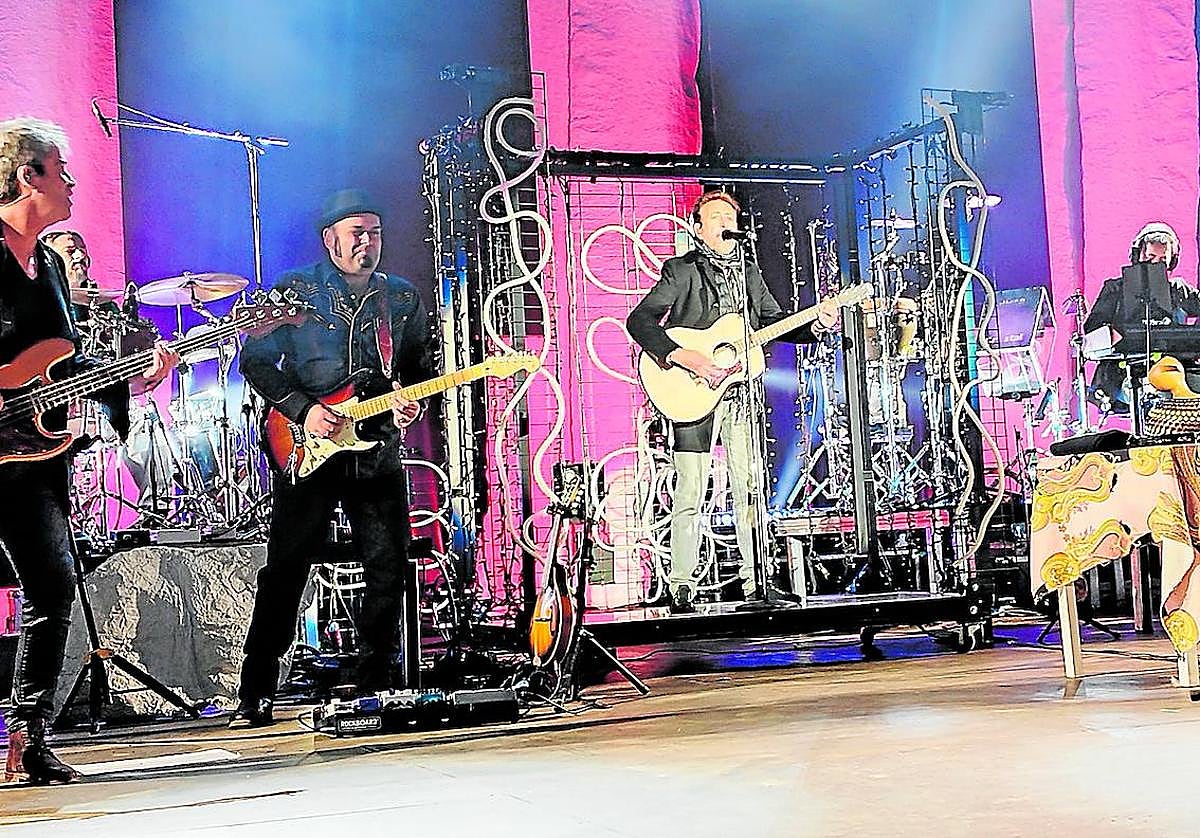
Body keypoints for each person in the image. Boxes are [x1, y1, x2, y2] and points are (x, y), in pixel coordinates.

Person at [0, 118, 175, 783]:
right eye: (62, 169)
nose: (72, 181)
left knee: (50, 584)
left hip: (34, 458)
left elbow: (64, 366)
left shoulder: (46, 263)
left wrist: (131, 373)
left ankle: (27, 741)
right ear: (28, 177)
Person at [231, 189, 435, 727]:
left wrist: (413, 401)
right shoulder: (295, 291)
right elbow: (254, 360)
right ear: (331, 241)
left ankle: (375, 687)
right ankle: (256, 689)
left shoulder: (403, 299)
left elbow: (416, 366)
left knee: (388, 565)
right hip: (307, 445)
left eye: (375, 233)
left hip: (376, 450)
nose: (367, 244)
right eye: (356, 234)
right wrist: (303, 409)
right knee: (287, 567)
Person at [627, 190, 839, 614]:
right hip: (691, 390)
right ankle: (682, 584)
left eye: (731, 214)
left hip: (738, 392)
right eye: (716, 215)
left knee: (750, 487)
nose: (726, 219)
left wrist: (815, 324)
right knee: (691, 487)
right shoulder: (681, 270)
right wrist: (682, 355)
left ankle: (755, 582)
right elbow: (640, 320)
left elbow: (774, 326)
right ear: (699, 227)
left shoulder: (747, 272)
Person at [42, 230, 176, 519]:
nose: (80, 256)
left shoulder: (106, 307)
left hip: (105, 402)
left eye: (82, 249)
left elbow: (124, 364)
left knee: (146, 420)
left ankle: (157, 513)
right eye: (70, 251)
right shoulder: (45, 307)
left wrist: (146, 375)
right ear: (50, 260)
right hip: (58, 411)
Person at [1085, 222, 1200, 415]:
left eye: (1163, 259)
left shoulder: (1179, 289)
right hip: (1123, 371)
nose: (1155, 264)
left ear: (1172, 261)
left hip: (1173, 370)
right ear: (1138, 255)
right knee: (1142, 392)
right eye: (1150, 257)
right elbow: (1092, 330)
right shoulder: (1114, 288)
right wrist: (1115, 334)